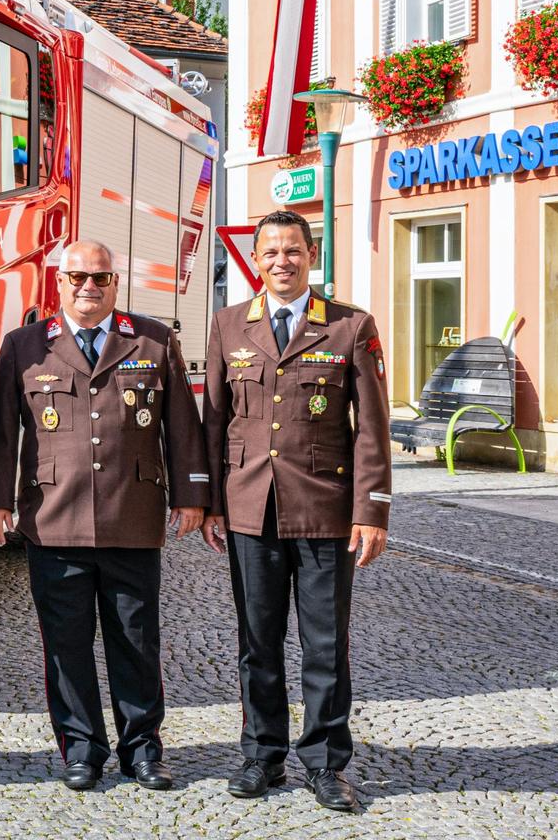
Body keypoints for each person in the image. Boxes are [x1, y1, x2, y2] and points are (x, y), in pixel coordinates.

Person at [0, 240, 210, 792]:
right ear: (58, 282)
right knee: (65, 643)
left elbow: (181, 424)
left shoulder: (153, 340)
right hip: (53, 517)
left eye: (101, 278)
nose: (89, 287)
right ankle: (81, 748)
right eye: (79, 277)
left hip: (130, 516)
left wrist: (192, 495)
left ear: (116, 283)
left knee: (135, 641)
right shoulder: (24, 345)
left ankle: (142, 749)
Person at [200, 208, 391, 813]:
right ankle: (261, 756)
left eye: (293, 250)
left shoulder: (349, 327)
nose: (282, 261)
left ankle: (327, 763)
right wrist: (207, 502)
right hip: (249, 509)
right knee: (257, 641)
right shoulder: (229, 325)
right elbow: (213, 418)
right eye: (270, 252)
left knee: (325, 644)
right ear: (255, 260)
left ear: (312, 256)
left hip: (323, 509)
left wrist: (372, 511)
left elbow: (371, 429)